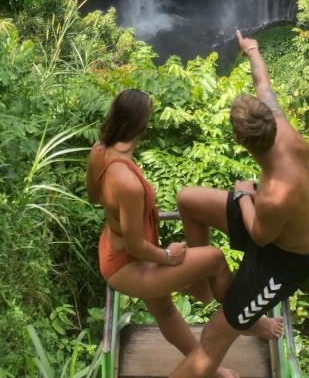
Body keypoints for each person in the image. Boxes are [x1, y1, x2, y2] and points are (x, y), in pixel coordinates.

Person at [168, 30, 309, 378]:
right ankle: (206, 288)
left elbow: (260, 236)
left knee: (212, 338)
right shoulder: (278, 124)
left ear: (241, 142)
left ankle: (244, 319)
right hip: (263, 215)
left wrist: (247, 194)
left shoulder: (277, 194)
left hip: (282, 262)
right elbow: (263, 82)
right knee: (188, 199)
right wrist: (251, 49)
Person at [86, 88, 238, 377]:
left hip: (112, 249)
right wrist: (169, 255)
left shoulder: (99, 151)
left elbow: (94, 195)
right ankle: (242, 315)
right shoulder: (128, 183)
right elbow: (135, 246)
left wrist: (119, 218)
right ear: (142, 125)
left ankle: (208, 368)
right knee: (215, 258)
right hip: (129, 263)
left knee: (165, 311)